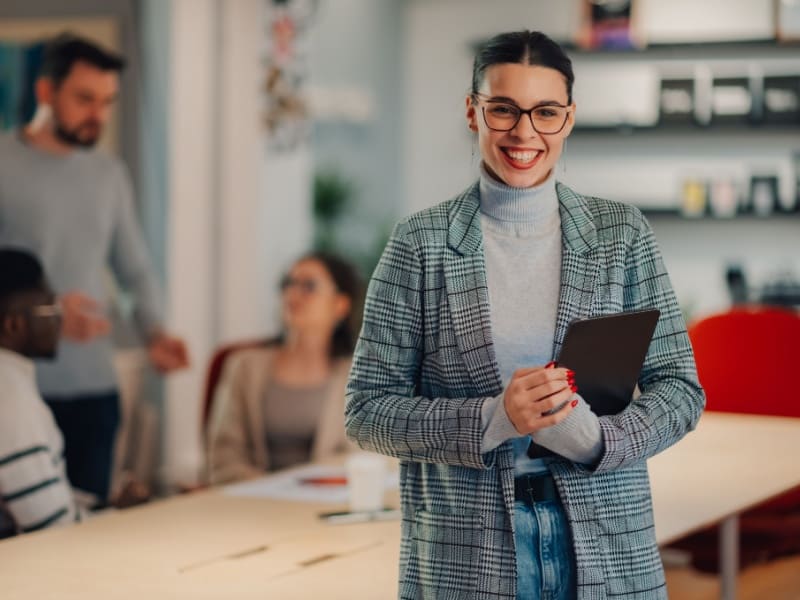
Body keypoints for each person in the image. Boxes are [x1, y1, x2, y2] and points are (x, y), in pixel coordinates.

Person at [345, 30, 705, 599]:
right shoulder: (421, 244)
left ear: (569, 118)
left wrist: (598, 439)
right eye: (503, 110)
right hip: (467, 550)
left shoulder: (622, 235)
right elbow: (366, 411)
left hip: (608, 538)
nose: (524, 132)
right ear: (473, 112)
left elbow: (681, 391)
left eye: (546, 112)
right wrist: (493, 418)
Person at [0, 33, 189, 506]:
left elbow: (134, 268)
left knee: (87, 536)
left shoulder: (109, 175)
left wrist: (156, 331)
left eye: (107, 102)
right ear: (46, 92)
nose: (98, 116)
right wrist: (46, 312)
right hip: (14, 392)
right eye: (85, 99)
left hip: (94, 390)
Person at [208, 252, 361, 484]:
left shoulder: (359, 377)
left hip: (325, 504)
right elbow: (223, 457)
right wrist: (272, 489)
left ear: (340, 304)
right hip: (252, 502)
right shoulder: (243, 366)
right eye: (288, 284)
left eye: (309, 286)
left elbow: (361, 459)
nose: (292, 294)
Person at [0, 248, 82, 538]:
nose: (60, 319)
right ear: (13, 325)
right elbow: (51, 528)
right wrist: (120, 516)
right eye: (51, 308)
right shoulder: (11, 401)